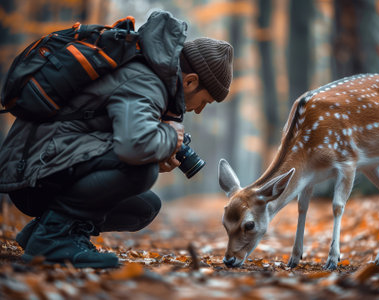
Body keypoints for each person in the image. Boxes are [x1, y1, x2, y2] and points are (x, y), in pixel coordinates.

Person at [0, 10, 233, 268]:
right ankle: (52, 238)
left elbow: (101, 136)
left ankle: (51, 232)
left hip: (45, 162)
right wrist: (169, 136)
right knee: (141, 170)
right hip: (33, 173)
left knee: (144, 206)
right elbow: (133, 147)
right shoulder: (146, 80)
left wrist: (156, 155)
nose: (199, 110)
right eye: (205, 102)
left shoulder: (146, 72)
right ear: (190, 81)